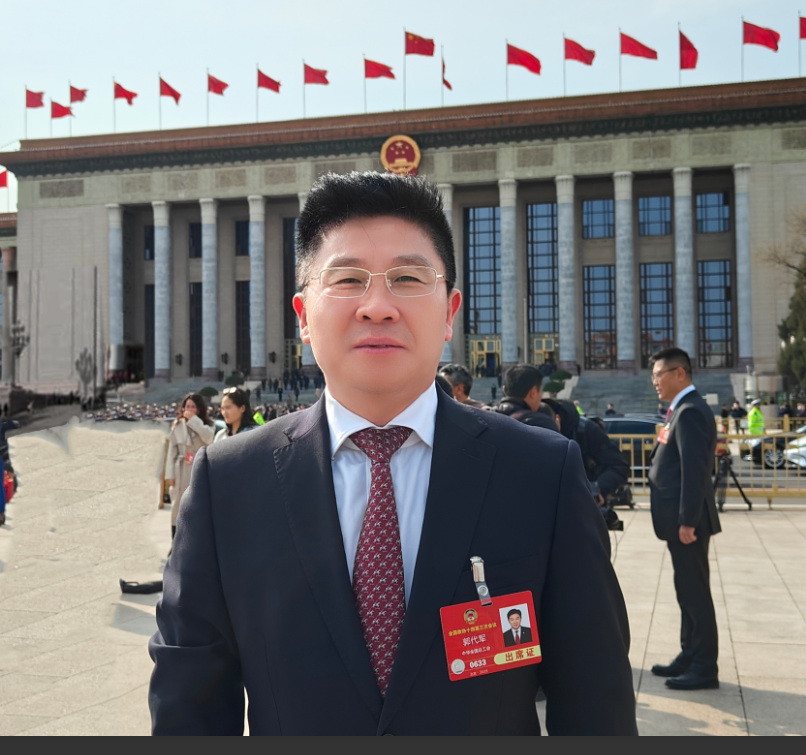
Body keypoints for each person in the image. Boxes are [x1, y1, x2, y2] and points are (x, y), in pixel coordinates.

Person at [149, 171, 636, 736]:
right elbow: (189, 708)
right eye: (347, 279)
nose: (377, 306)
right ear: (303, 316)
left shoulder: (540, 474)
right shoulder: (230, 485)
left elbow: (596, 705)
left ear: (449, 312)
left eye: (407, 278)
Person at [648, 347, 720, 691]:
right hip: (678, 521)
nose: (655, 382)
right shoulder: (680, 409)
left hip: (687, 523)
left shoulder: (690, 411)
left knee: (695, 594)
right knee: (686, 591)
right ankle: (689, 654)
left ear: (680, 373)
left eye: (659, 375)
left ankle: (704, 666)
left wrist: (688, 521)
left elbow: (694, 472)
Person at [164, 393, 215, 551]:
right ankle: (175, 545)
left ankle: (195, 546)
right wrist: (169, 475)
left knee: (197, 507)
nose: (190, 410)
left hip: (198, 470)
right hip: (181, 470)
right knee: (177, 508)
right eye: (187, 407)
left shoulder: (207, 424)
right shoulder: (178, 425)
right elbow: (172, 452)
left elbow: (208, 438)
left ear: (199, 409)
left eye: (193, 407)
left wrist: (194, 421)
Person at [493, 364, 560, 432]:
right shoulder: (543, 424)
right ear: (533, 393)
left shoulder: (490, 417)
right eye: (540, 392)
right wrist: (557, 432)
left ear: (504, 390)